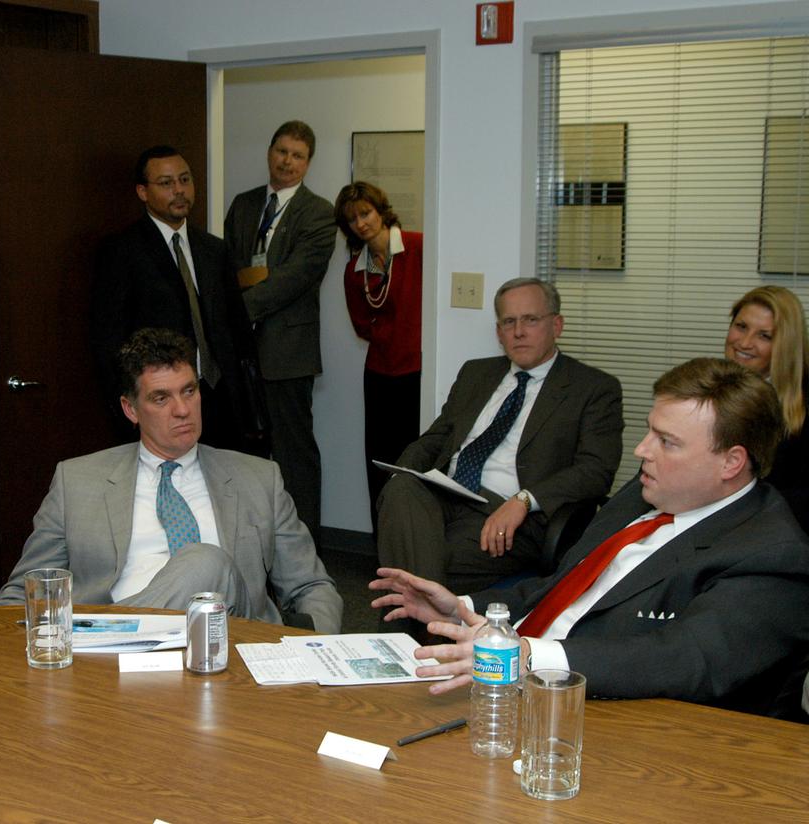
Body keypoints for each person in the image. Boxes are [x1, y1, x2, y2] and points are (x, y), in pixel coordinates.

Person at [371, 357, 809, 717]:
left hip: (597, 715)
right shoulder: (643, 495)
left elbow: (685, 658)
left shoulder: (771, 552)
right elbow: (558, 588)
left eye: (667, 441)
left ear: (731, 462)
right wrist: (464, 607)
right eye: (649, 430)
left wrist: (526, 658)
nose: (642, 450)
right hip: (507, 683)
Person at [0, 328, 342, 633]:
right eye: (161, 398)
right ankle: (111, 637)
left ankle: (103, 635)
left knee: (207, 562)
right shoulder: (77, 481)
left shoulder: (258, 478)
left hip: (233, 648)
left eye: (189, 391)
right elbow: (26, 591)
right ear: (130, 410)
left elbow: (311, 587)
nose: (182, 409)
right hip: (130, 671)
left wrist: (312, 652)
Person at [376, 278, 623, 593]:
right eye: (509, 322)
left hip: (510, 514)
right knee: (403, 491)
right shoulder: (476, 373)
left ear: (556, 325)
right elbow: (437, 437)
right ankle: (425, 631)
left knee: (418, 558)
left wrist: (524, 500)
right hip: (445, 492)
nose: (519, 331)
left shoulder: (592, 388)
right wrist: (403, 473)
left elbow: (595, 471)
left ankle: (410, 636)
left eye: (530, 319)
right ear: (499, 333)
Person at [92, 145, 261, 454]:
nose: (179, 190)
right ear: (143, 192)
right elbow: (109, 342)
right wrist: (127, 414)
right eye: (167, 183)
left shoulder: (214, 250)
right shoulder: (122, 252)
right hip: (162, 404)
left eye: (185, 180)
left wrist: (251, 406)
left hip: (220, 399)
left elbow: (238, 334)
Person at [224, 120, 337, 541]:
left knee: (294, 457)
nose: (287, 161)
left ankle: (305, 551)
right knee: (244, 455)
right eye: (281, 151)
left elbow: (297, 277)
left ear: (308, 164)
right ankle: (252, 544)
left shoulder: (319, 212)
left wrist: (238, 309)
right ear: (269, 152)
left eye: (298, 155)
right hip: (241, 351)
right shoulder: (244, 203)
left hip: (288, 353)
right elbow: (228, 266)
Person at [334, 181, 424, 525]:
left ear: (380, 211)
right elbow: (361, 326)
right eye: (352, 219)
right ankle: (383, 547)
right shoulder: (354, 270)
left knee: (415, 460)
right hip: (379, 375)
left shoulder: (417, 247)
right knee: (379, 461)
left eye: (366, 213)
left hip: (415, 372)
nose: (361, 223)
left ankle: (414, 542)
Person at [723, 285, 809, 531]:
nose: (745, 343)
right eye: (741, 327)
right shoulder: (712, 385)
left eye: (765, 336)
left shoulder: (803, 404)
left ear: (786, 345)